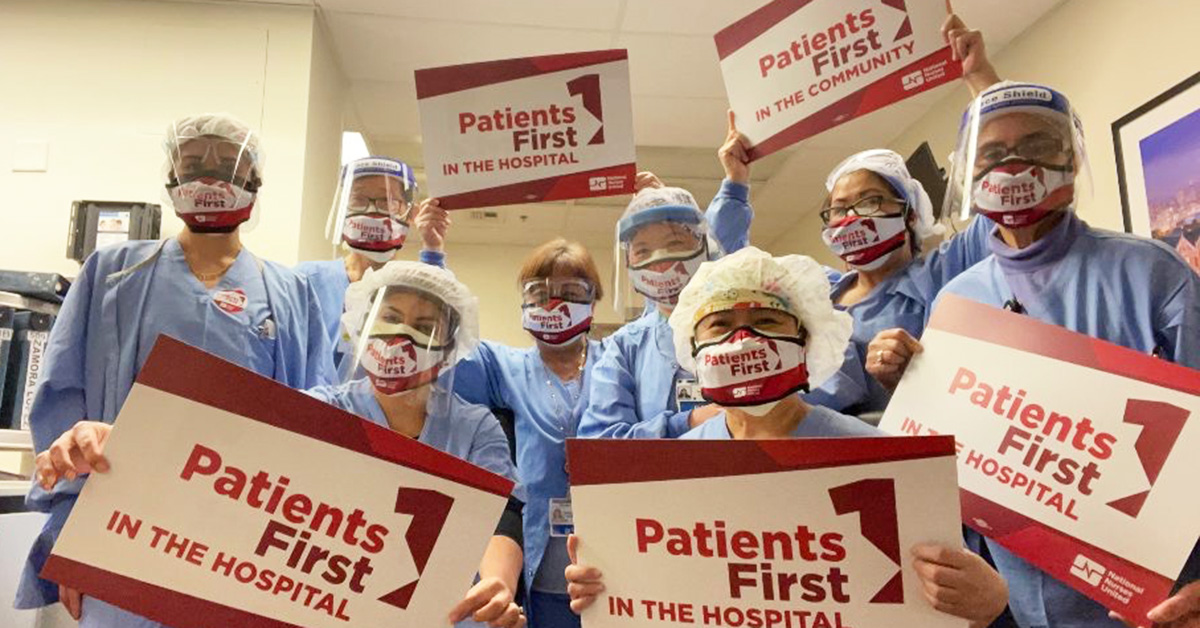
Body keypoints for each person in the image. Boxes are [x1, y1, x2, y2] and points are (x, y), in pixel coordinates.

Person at [869, 80, 1200, 628]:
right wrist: (909, 387)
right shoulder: (955, 301)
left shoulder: (1152, 276)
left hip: (1155, 602)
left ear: (1071, 160)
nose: (1014, 166)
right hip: (1017, 601)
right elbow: (962, 451)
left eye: (1038, 147)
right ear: (969, 175)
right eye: (993, 154)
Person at [563, 247, 1011, 628]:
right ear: (693, 352)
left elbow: (941, 600)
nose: (743, 340)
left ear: (807, 339)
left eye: (767, 320)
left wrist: (991, 604)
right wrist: (608, 584)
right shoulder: (667, 477)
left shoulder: (880, 458)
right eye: (720, 325)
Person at [16, 113, 336, 627]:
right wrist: (72, 536)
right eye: (192, 163)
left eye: (226, 164)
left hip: (243, 543)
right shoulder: (114, 275)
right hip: (120, 529)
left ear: (255, 179)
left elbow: (318, 425)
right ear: (170, 175)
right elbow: (63, 407)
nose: (208, 178)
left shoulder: (291, 296)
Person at [800, 10, 1003, 417]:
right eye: (838, 210)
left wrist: (981, 81)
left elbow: (1004, 205)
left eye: (869, 202)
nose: (851, 218)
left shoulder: (943, 272)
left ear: (910, 215)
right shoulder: (818, 298)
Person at [305, 261, 527, 628]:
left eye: (425, 328)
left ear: (448, 349)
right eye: (389, 318)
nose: (401, 337)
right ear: (362, 325)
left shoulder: (474, 427)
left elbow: (500, 513)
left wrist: (498, 584)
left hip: (447, 615)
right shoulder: (319, 410)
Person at [450, 238, 606, 628]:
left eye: (570, 293)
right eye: (539, 293)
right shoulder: (502, 365)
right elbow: (443, 350)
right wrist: (434, 255)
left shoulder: (617, 360)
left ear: (593, 302)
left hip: (612, 564)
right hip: (537, 566)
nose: (553, 305)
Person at [578, 112, 754, 439]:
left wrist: (734, 187)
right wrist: (685, 424)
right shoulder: (624, 349)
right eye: (643, 251)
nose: (661, 263)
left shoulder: (753, 324)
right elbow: (601, 444)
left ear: (705, 249)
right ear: (629, 263)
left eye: (674, 244)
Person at [295, 157, 449, 371]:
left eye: (388, 201)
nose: (372, 211)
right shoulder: (306, 281)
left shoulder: (409, 289)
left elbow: (434, 319)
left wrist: (433, 248)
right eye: (359, 200)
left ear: (410, 213)